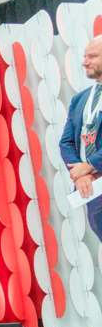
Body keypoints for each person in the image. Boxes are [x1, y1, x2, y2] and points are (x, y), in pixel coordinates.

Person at [60, 35, 102, 241]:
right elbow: (66, 142)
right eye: (84, 56)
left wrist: (90, 165)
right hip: (93, 191)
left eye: (92, 56)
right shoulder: (80, 99)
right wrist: (81, 173)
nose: (84, 61)